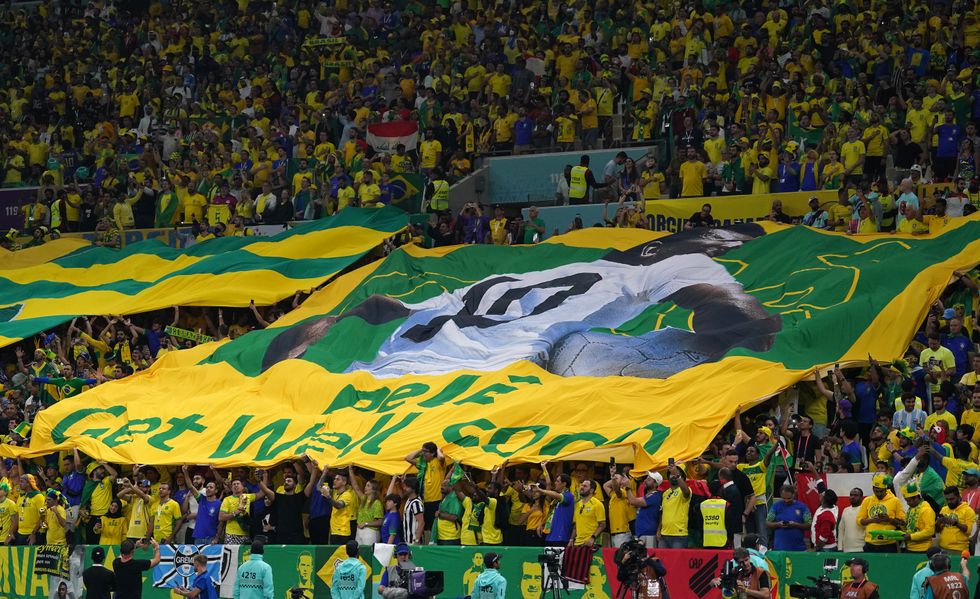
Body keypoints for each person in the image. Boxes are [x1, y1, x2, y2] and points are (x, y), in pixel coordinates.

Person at [858, 473, 905, 552]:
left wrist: (888, 519)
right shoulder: (867, 500)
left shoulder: (895, 501)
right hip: (870, 543)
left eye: (881, 491)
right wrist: (873, 520)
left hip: (889, 544)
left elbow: (902, 523)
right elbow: (859, 521)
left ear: (886, 489)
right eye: (876, 491)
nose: (879, 494)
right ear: (873, 489)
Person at [766, 485, 811, 551]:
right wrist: (778, 524)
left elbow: (809, 525)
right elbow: (767, 523)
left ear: (793, 495)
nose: (786, 501)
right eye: (783, 498)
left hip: (798, 549)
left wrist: (796, 525)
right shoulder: (775, 506)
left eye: (789, 498)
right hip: (779, 549)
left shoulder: (802, 507)